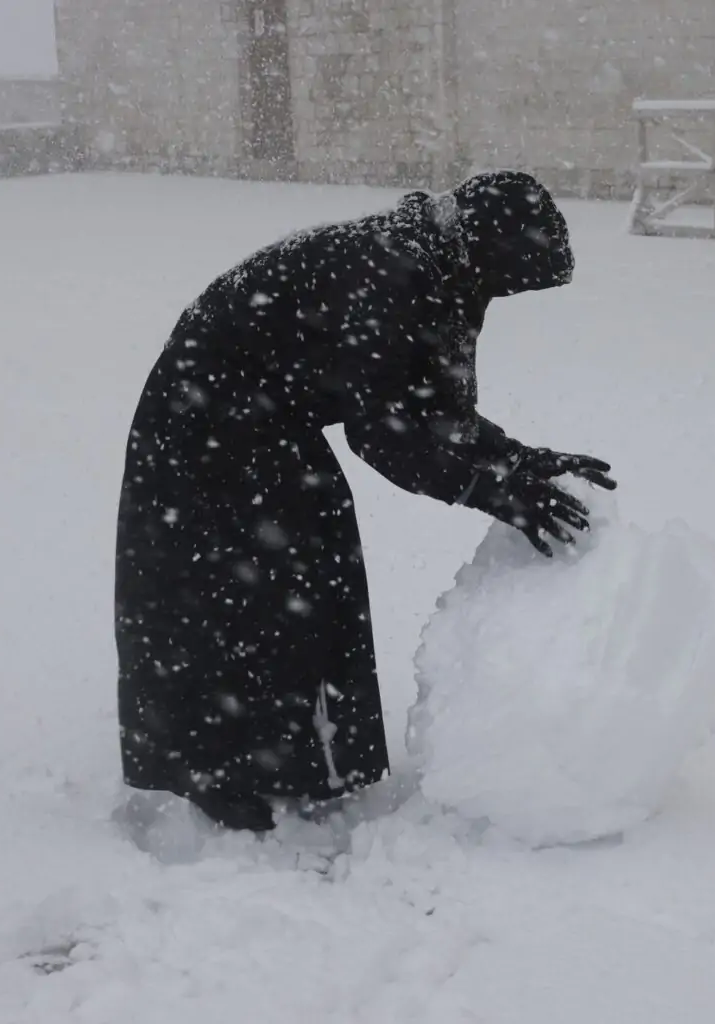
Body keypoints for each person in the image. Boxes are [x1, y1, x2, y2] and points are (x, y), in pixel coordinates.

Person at [114, 170, 616, 834]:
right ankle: (218, 771)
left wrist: (519, 462)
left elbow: (435, 411)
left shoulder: (443, 266)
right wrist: (491, 491)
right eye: (511, 279)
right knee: (244, 589)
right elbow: (384, 433)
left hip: (268, 420)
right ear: (489, 249)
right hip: (205, 422)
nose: (505, 293)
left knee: (313, 569)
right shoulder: (390, 275)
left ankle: (298, 760)